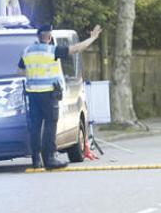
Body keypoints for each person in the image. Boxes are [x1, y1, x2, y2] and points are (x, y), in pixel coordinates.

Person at [19, 23, 102, 170]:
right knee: (50, 125)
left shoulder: (27, 51)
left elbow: (19, 71)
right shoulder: (52, 50)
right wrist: (93, 38)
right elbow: (76, 49)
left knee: (35, 127)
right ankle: (49, 158)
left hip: (32, 94)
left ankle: (36, 160)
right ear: (49, 36)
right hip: (49, 94)